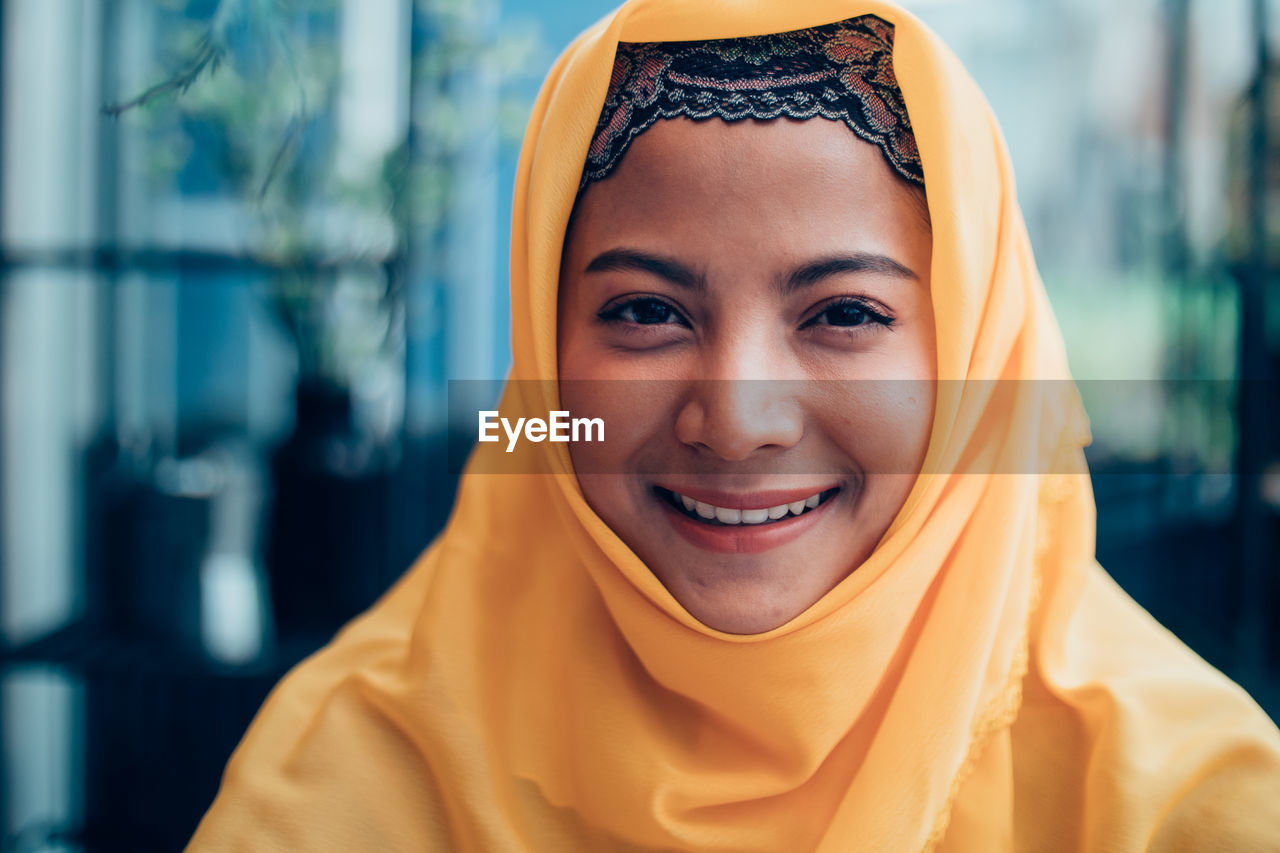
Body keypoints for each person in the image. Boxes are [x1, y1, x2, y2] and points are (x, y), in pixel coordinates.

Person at [188, 1, 1280, 850]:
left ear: (971, 361)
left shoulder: (1180, 801)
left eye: (844, 314)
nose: (736, 421)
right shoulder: (353, 770)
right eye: (646, 312)